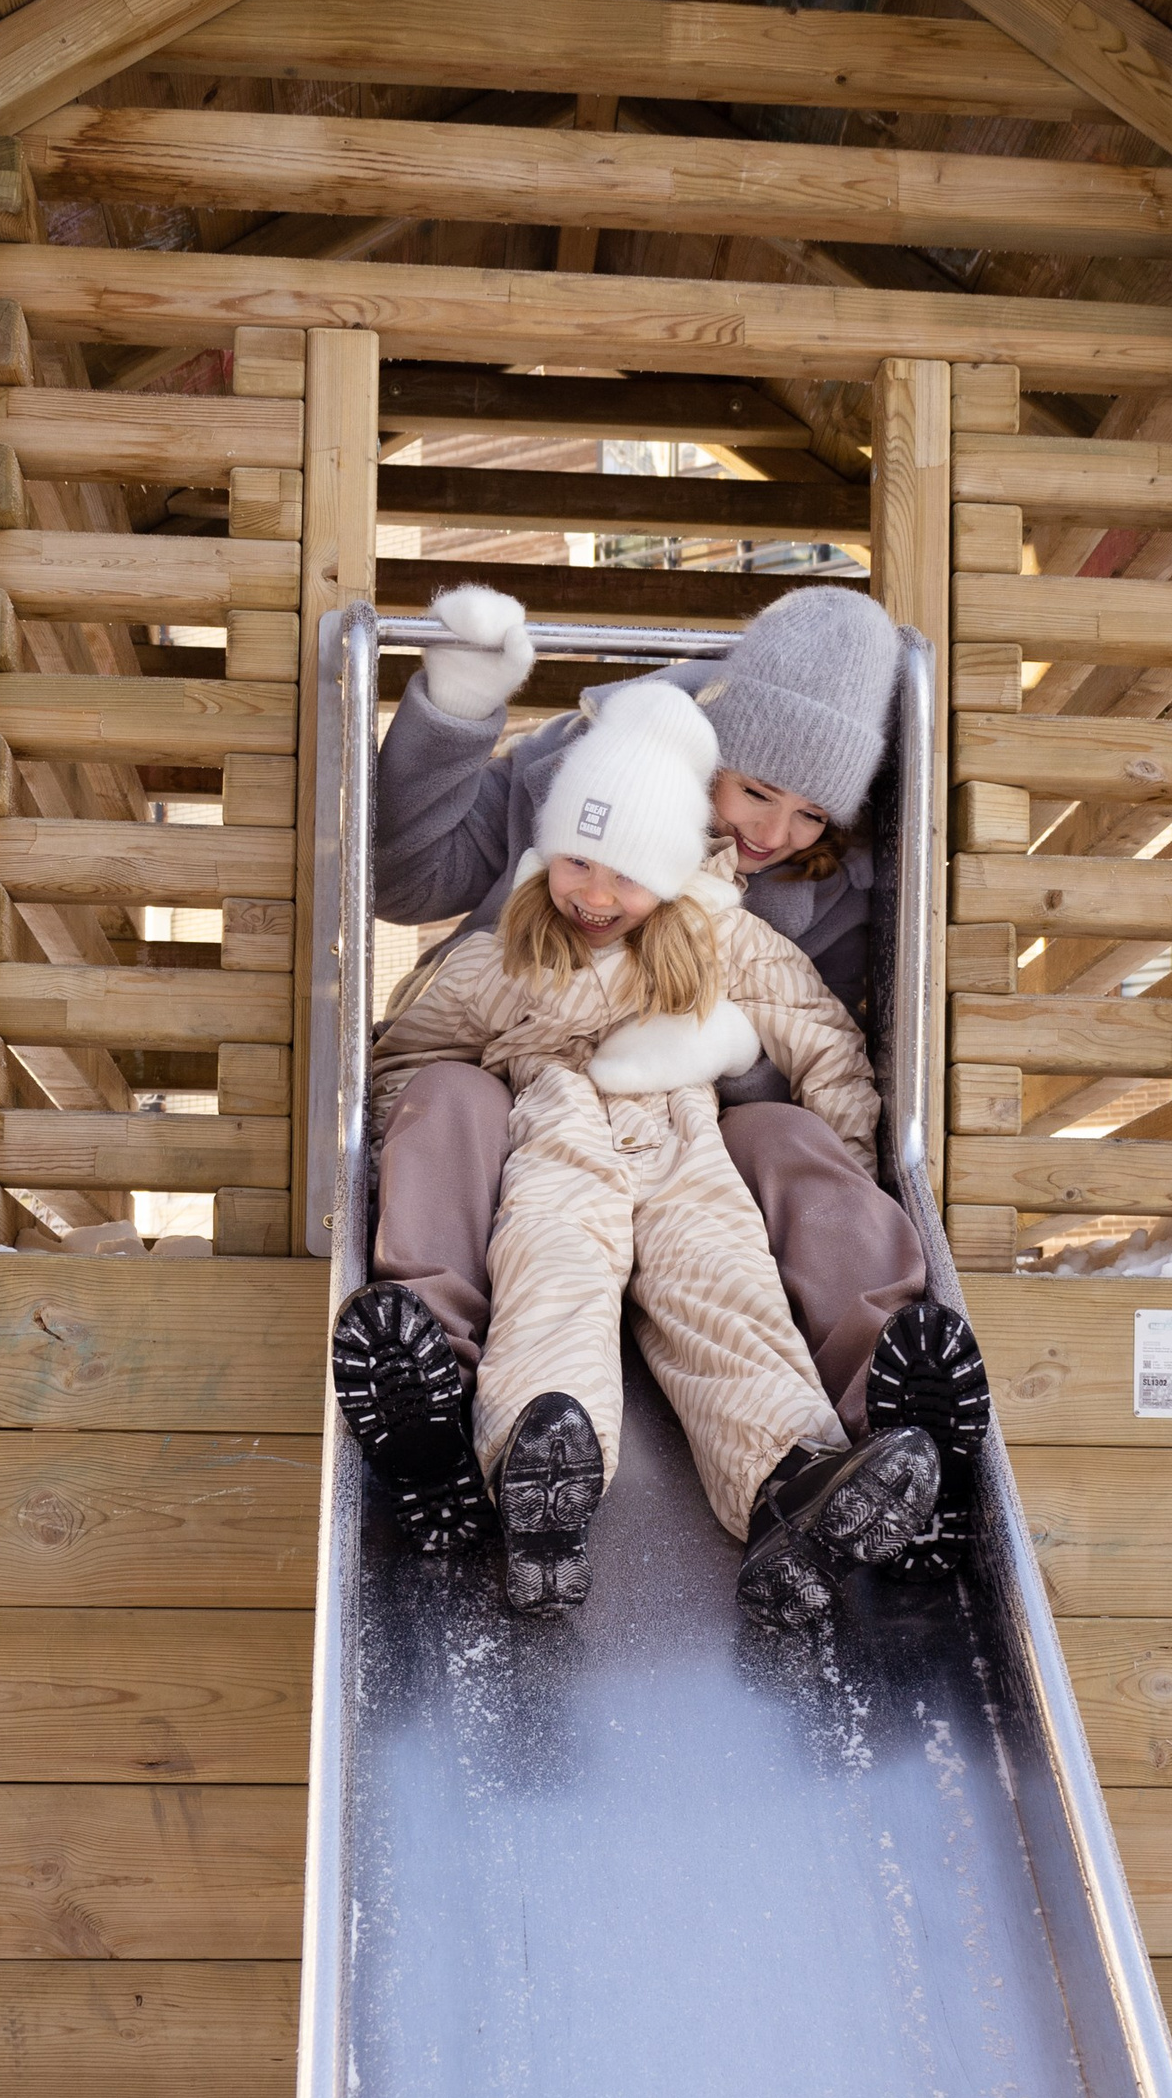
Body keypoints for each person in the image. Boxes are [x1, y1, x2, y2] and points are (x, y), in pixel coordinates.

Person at [334, 579, 990, 1566]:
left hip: (696, 1134)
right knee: (457, 1116)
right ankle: (429, 1373)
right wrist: (457, 711)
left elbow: (827, 1047)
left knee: (793, 1149)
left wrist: (729, 1053)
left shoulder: (817, 893)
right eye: (756, 789)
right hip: (522, 1096)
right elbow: (404, 890)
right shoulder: (591, 783)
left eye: (812, 815)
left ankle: (889, 1410)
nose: (773, 834)